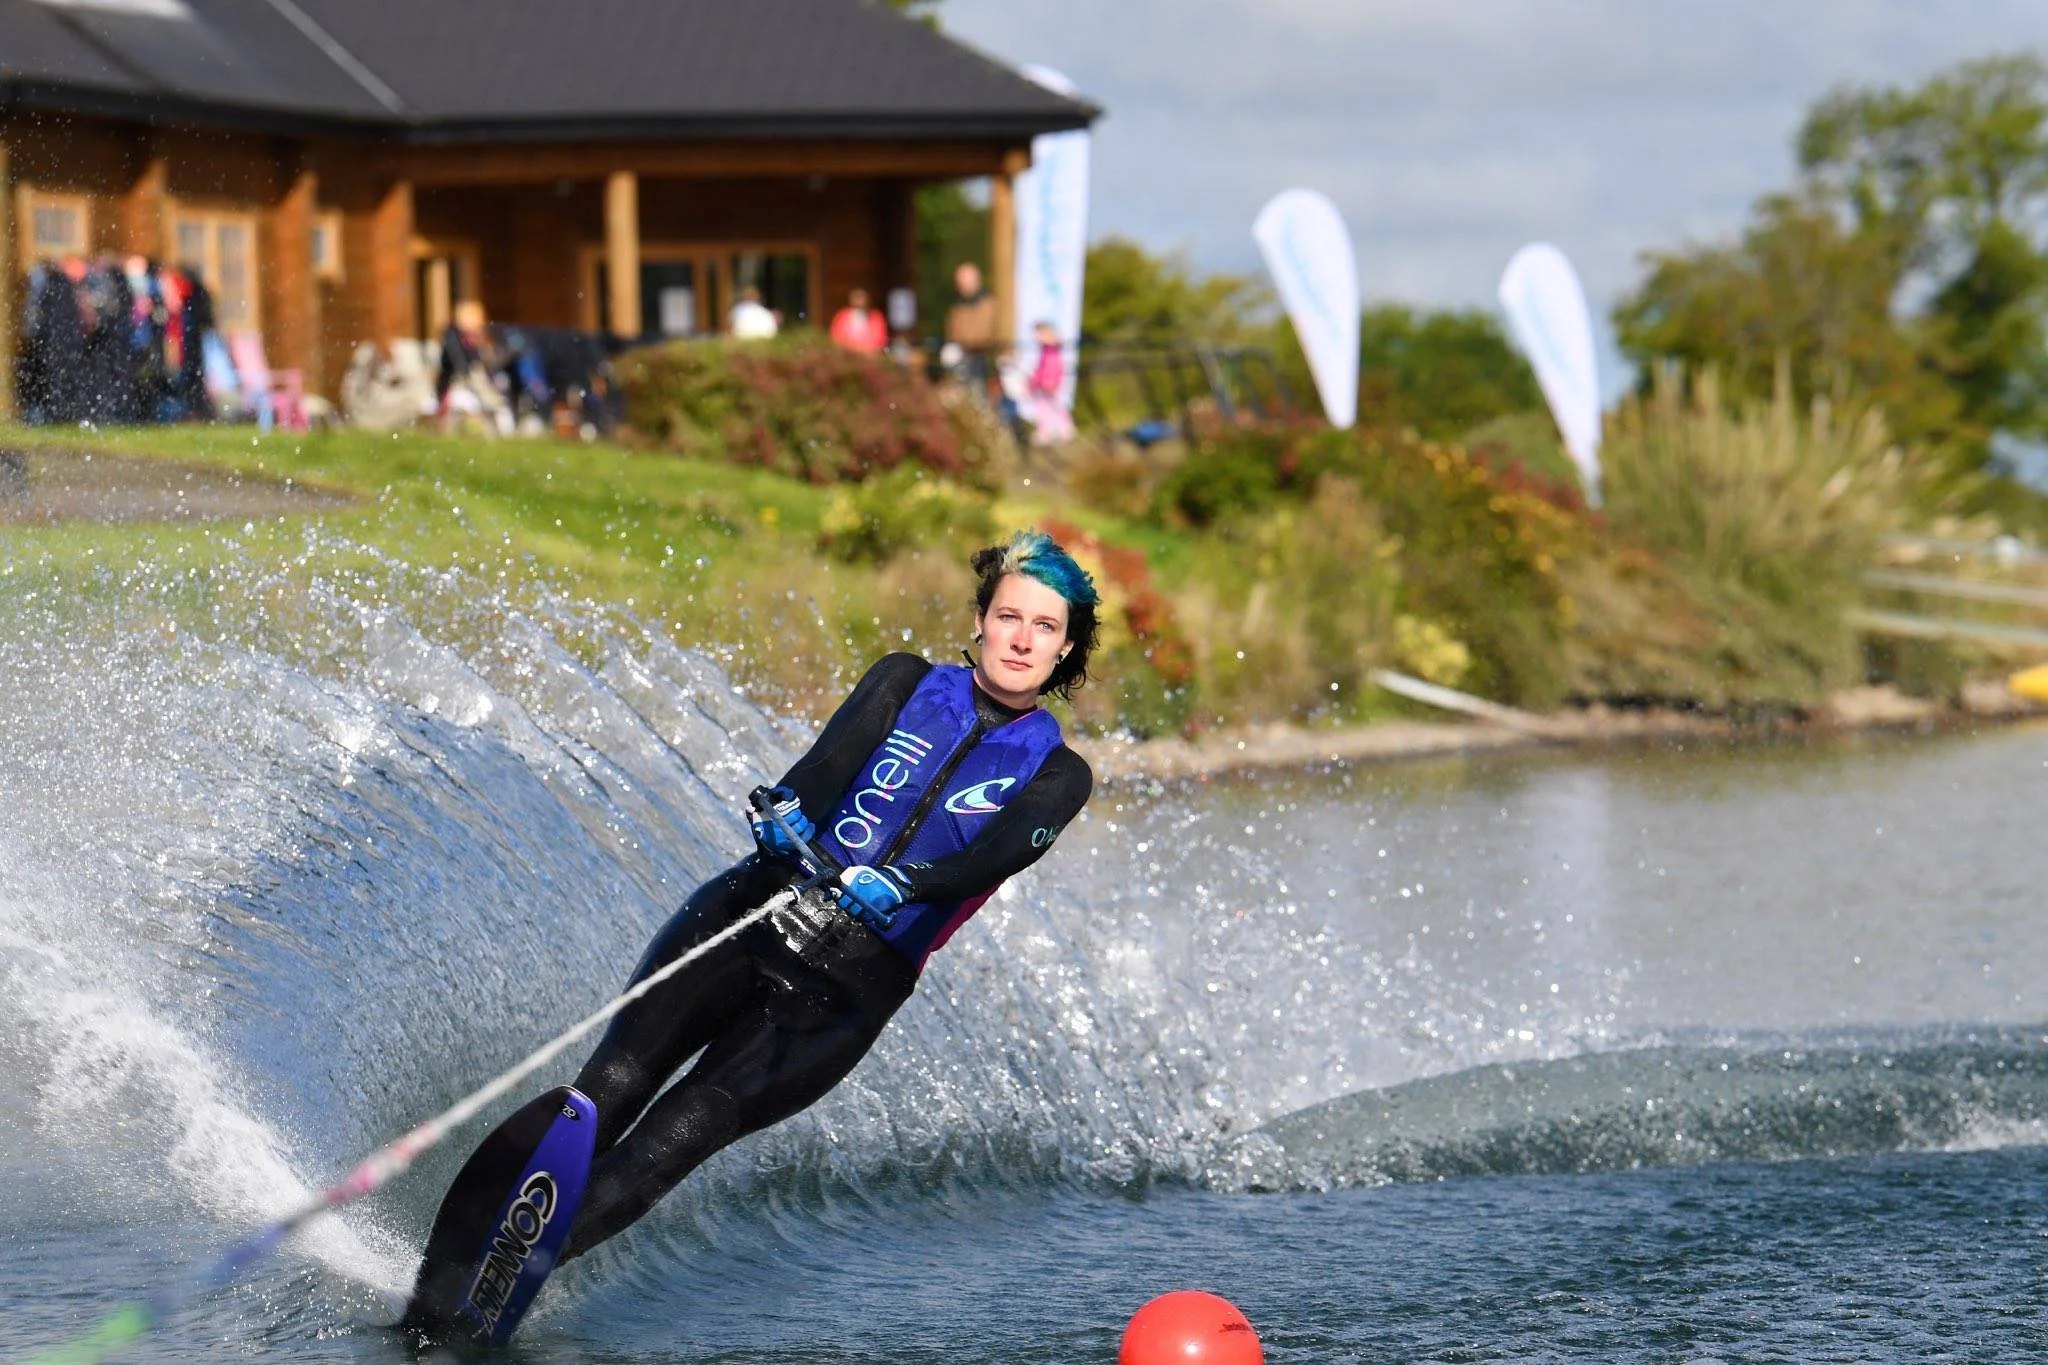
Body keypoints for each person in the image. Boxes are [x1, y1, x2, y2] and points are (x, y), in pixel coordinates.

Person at [558, 530, 1100, 1257]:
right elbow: (824, 766)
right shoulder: (904, 680)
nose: (1023, 639)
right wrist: (785, 813)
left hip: (848, 989)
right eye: (1010, 616)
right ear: (980, 620)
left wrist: (904, 882)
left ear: (1064, 650)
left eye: (1045, 627)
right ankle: (491, 1219)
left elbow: (992, 858)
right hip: (756, 908)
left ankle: (523, 1267)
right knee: (616, 1078)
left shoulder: (1060, 774)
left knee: (678, 1132)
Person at [943, 261, 998, 399]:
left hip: (981, 361)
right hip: (961, 362)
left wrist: (964, 341)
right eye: (959, 282)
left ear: (977, 280)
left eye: (965, 281)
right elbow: (951, 331)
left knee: (979, 398)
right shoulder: (958, 306)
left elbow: (982, 335)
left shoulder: (988, 303)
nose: (962, 286)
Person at [1025, 320, 1075, 445]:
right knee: (1044, 407)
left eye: (1040, 334)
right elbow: (1040, 368)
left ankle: (1064, 429)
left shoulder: (1052, 350)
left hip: (1049, 382)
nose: (1037, 338)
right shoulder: (1046, 349)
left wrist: (1049, 380)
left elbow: (1053, 367)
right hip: (1043, 382)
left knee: (1051, 406)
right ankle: (1048, 431)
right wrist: (1034, 381)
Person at [828, 287, 889, 354]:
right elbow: (836, 337)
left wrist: (867, 350)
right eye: (857, 298)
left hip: (870, 357)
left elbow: (880, 339)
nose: (859, 301)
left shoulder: (876, 317)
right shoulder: (842, 316)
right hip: (848, 355)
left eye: (861, 298)